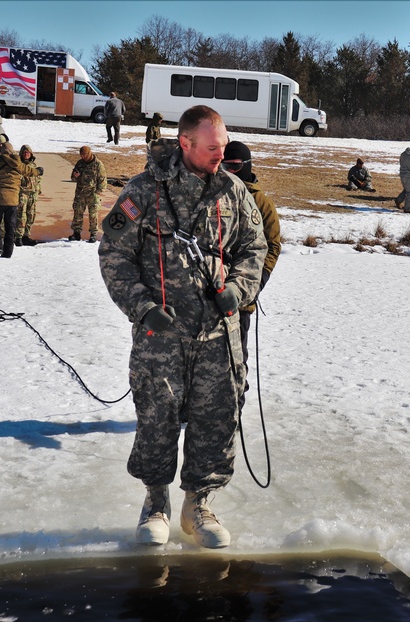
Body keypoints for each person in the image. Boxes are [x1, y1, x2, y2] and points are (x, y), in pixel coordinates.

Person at [98, 105, 267, 550]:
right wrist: (142, 307)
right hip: (162, 338)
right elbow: (114, 256)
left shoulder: (233, 191)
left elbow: (255, 244)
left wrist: (240, 287)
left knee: (217, 418)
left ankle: (199, 504)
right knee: (157, 417)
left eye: (225, 145)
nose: (221, 154)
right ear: (186, 144)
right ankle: (156, 503)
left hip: (218, 336)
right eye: (213, 147)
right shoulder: (143, 191)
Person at [223, 140, 282, 368]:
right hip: (211, 297)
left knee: (236, 363)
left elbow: (272, 246)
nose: (229, 172)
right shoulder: (216, 195)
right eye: (224, 166)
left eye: (235, 166)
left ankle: (238, 401)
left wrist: (257, 281)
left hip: (242, 299)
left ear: (246, 165)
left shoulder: (261, 203)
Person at [69, 145, 107, 242]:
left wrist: (97, 193)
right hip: (80, 193)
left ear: (89, 153)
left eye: (84, 154)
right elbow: (72, 178)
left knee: (93, 214)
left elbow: (102, 181)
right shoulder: (80, 163)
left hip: (92, 194)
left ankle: (93, 234)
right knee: (78, 213)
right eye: (81, 155)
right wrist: (75, 175)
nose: (82, 156)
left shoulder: (98, 164)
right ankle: (76, 233)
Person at [15, 144, 42, 246]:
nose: (26, 154)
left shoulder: (34, 166)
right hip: (23, 194)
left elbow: (38, 179)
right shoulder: (19, 165)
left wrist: (38, 189)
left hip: (33, 194)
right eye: (25, 153)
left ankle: (26, 235)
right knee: (21, 215)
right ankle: (18, 237)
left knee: (31, 215)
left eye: (28, 153)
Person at [394, 142, 410, 213]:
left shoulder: (403, 154)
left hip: (402, 175)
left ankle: (398, 200)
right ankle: (408, 208)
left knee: (407, 190)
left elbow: (401, 162)